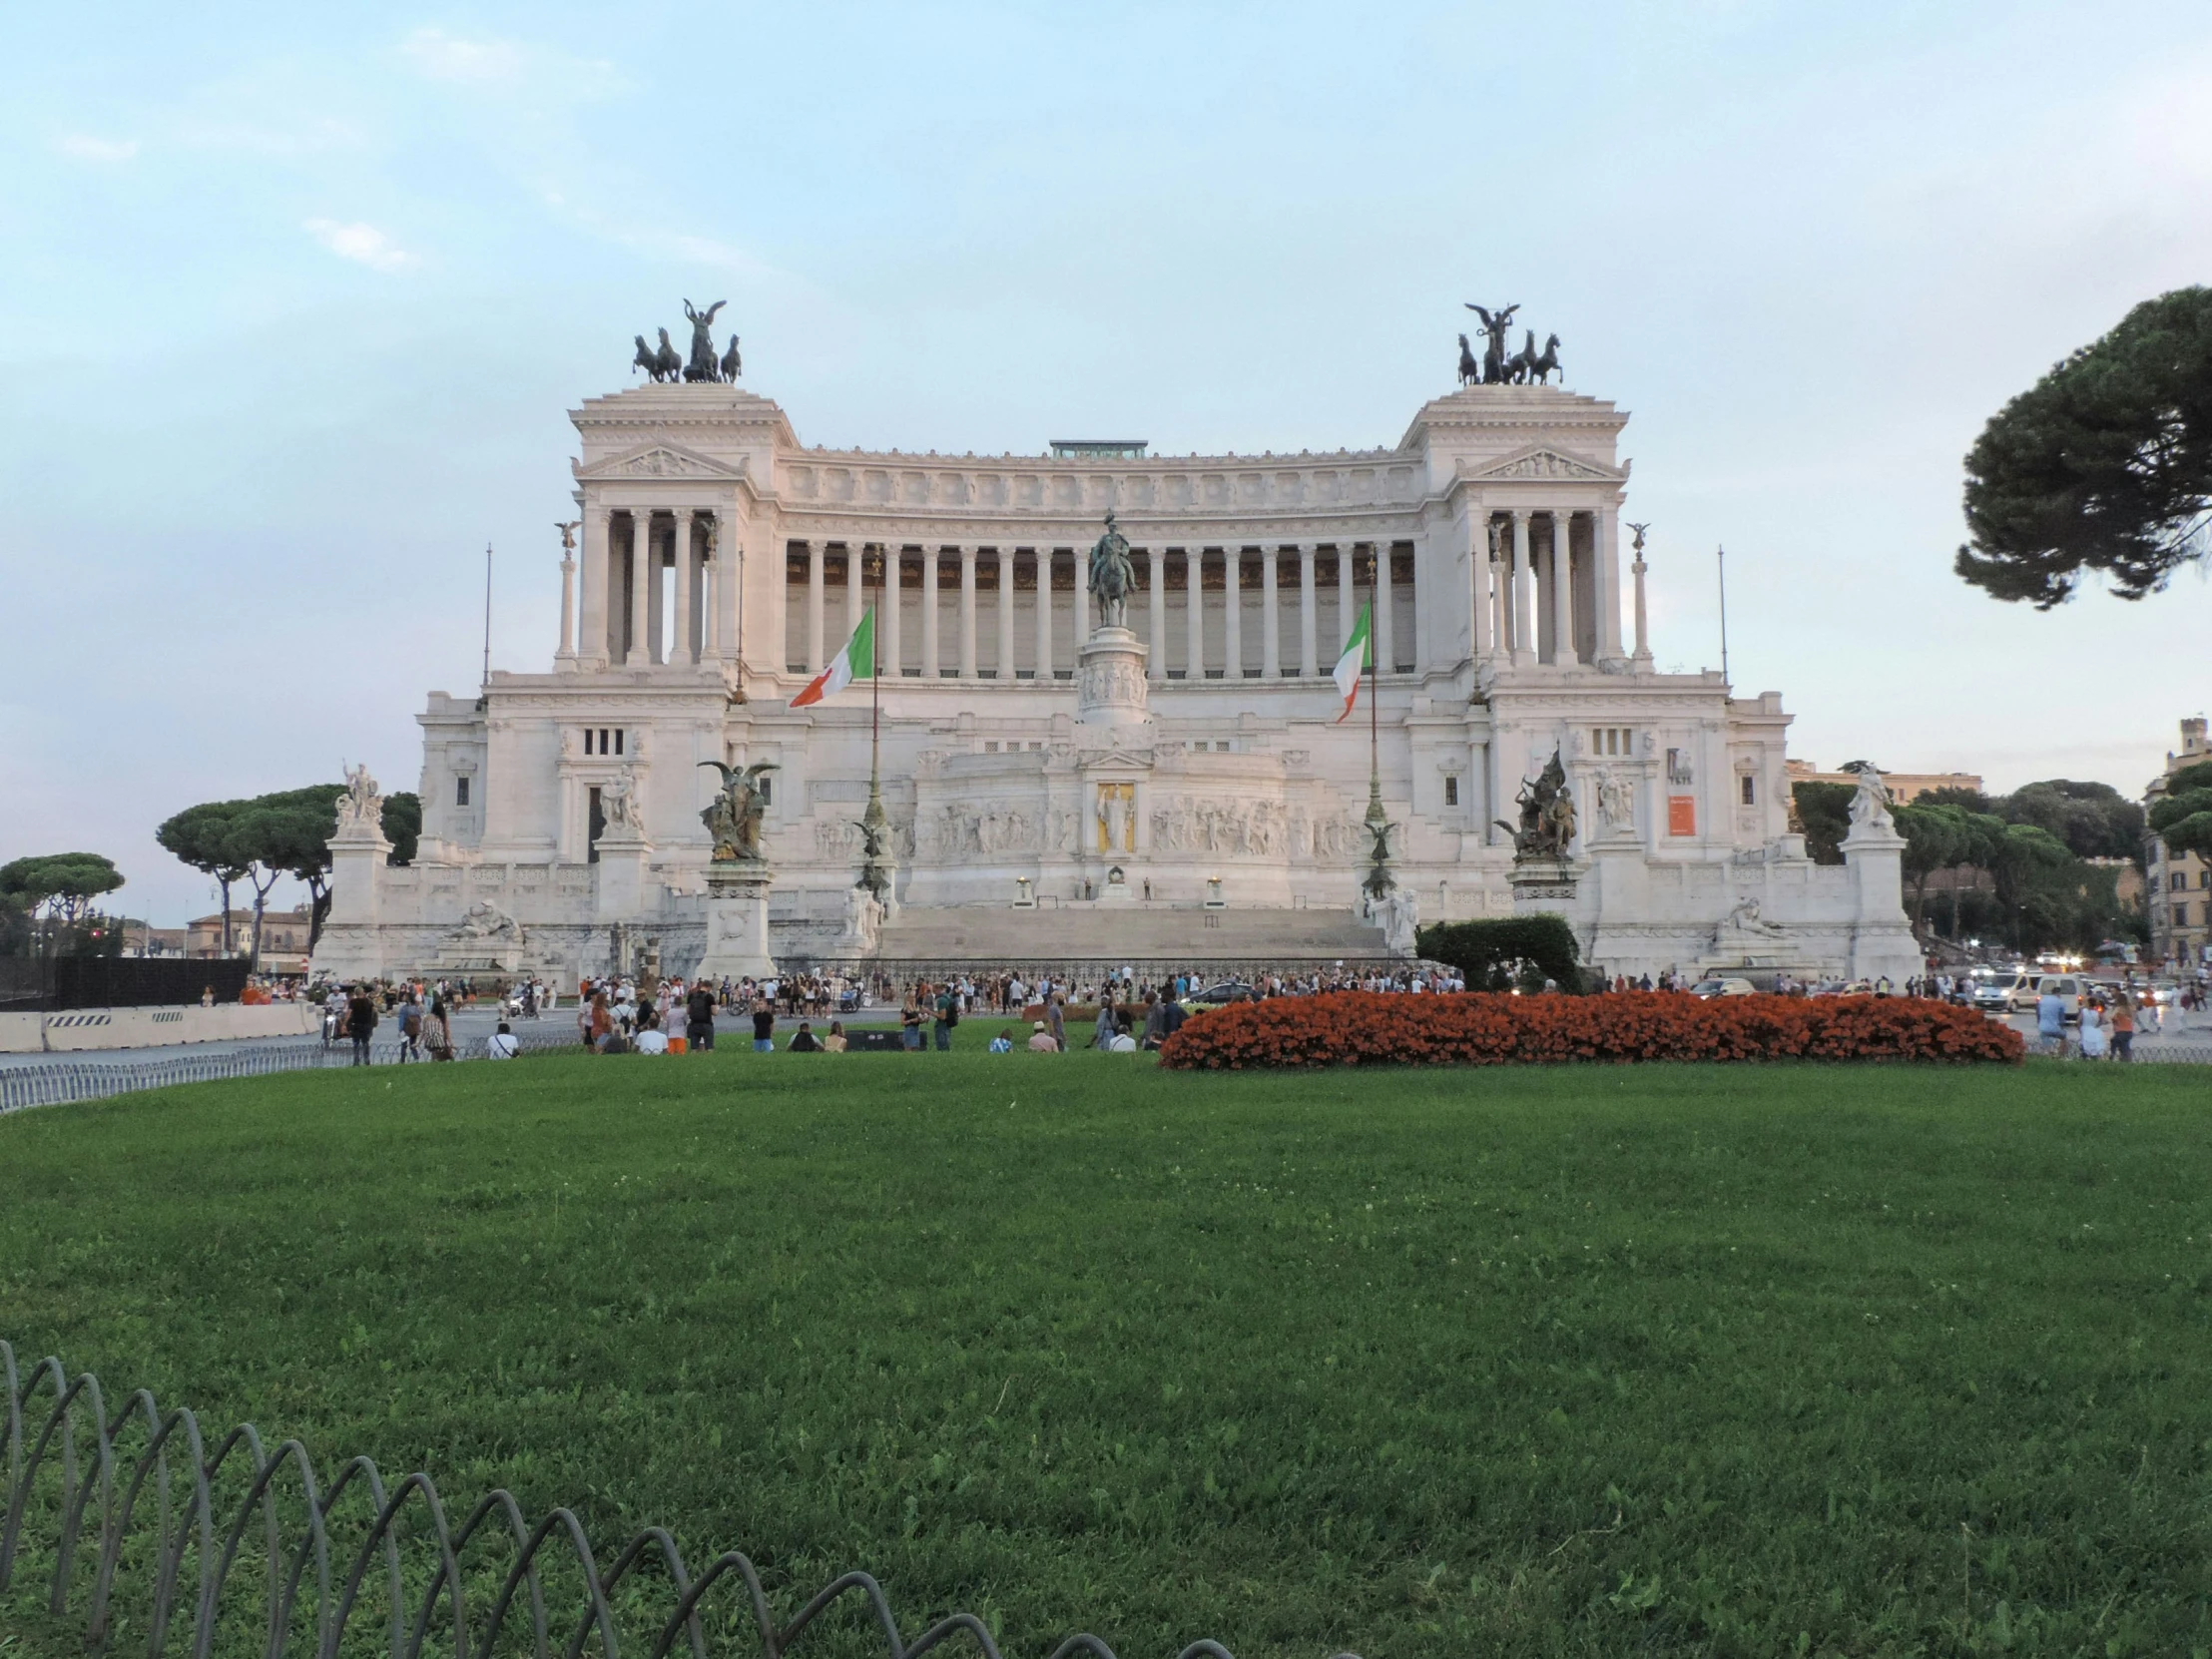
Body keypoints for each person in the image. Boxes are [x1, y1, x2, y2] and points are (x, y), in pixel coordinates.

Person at [346, 985, 377, 1066]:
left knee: (356, 1043)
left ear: (355, 993)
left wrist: (344, 1023)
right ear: (363, 992)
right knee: (365, 1043)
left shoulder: (353, 1002)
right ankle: (367, 1060)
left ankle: (356, 1061)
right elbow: (375, 1011)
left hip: (356, 1025)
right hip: (367, 1025)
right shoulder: (369, 1001)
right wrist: (373, 1022)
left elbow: (349, 1013)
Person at [685, 980, 717, 1051]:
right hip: (706, 1023)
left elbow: (688, 1011)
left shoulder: (691, 995)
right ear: (709, 987)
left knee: (694, 1048)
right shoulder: (709, 996)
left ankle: (693, 1060)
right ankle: (709, 1061)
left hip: (694, 1023)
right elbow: (715, 1012)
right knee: (709, 1048)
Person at [424, 996, 454, 1061]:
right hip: (440, 1040)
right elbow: (447, 1031)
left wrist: (418, 1042)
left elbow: (424, 1031)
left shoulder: (428, 1017)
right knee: (441, 1055)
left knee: (434, 1053)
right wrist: (451, 1043)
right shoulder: (443, 1018)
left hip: (429, 1040)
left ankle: (433, 1063)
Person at [933, 983, 959, 1050]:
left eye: (934, 991)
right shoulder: (948, 997)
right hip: (948, 1024)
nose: (934, 993)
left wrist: (929, 1012)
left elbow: (942, 1017)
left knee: (942, 1046)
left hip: (942, 1025)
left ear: (939, 989)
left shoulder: (941, 1000)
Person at [2110, 994, 2135, 1061]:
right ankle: (2127, 1060)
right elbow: (2132, 1018)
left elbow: (2112, 1017)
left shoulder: (2118, 1008)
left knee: (2114, 1042)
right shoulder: (2130, 1008)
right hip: (2129, 1031)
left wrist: (2115, 1021)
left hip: (2121, 1031)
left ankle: (2112, 1056)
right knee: (2125, 1046)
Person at [901, 985, 924, 1050]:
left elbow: (919, 1019)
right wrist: (911, 1020)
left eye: (914, 997)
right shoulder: (905, 1009)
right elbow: (902, 1022)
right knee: (909, 1048)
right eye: (912, 998)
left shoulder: (915, 1009)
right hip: (909, 1029)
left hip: (916, 1029)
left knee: (915, 1048)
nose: (913, 999)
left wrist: (922, 1019)